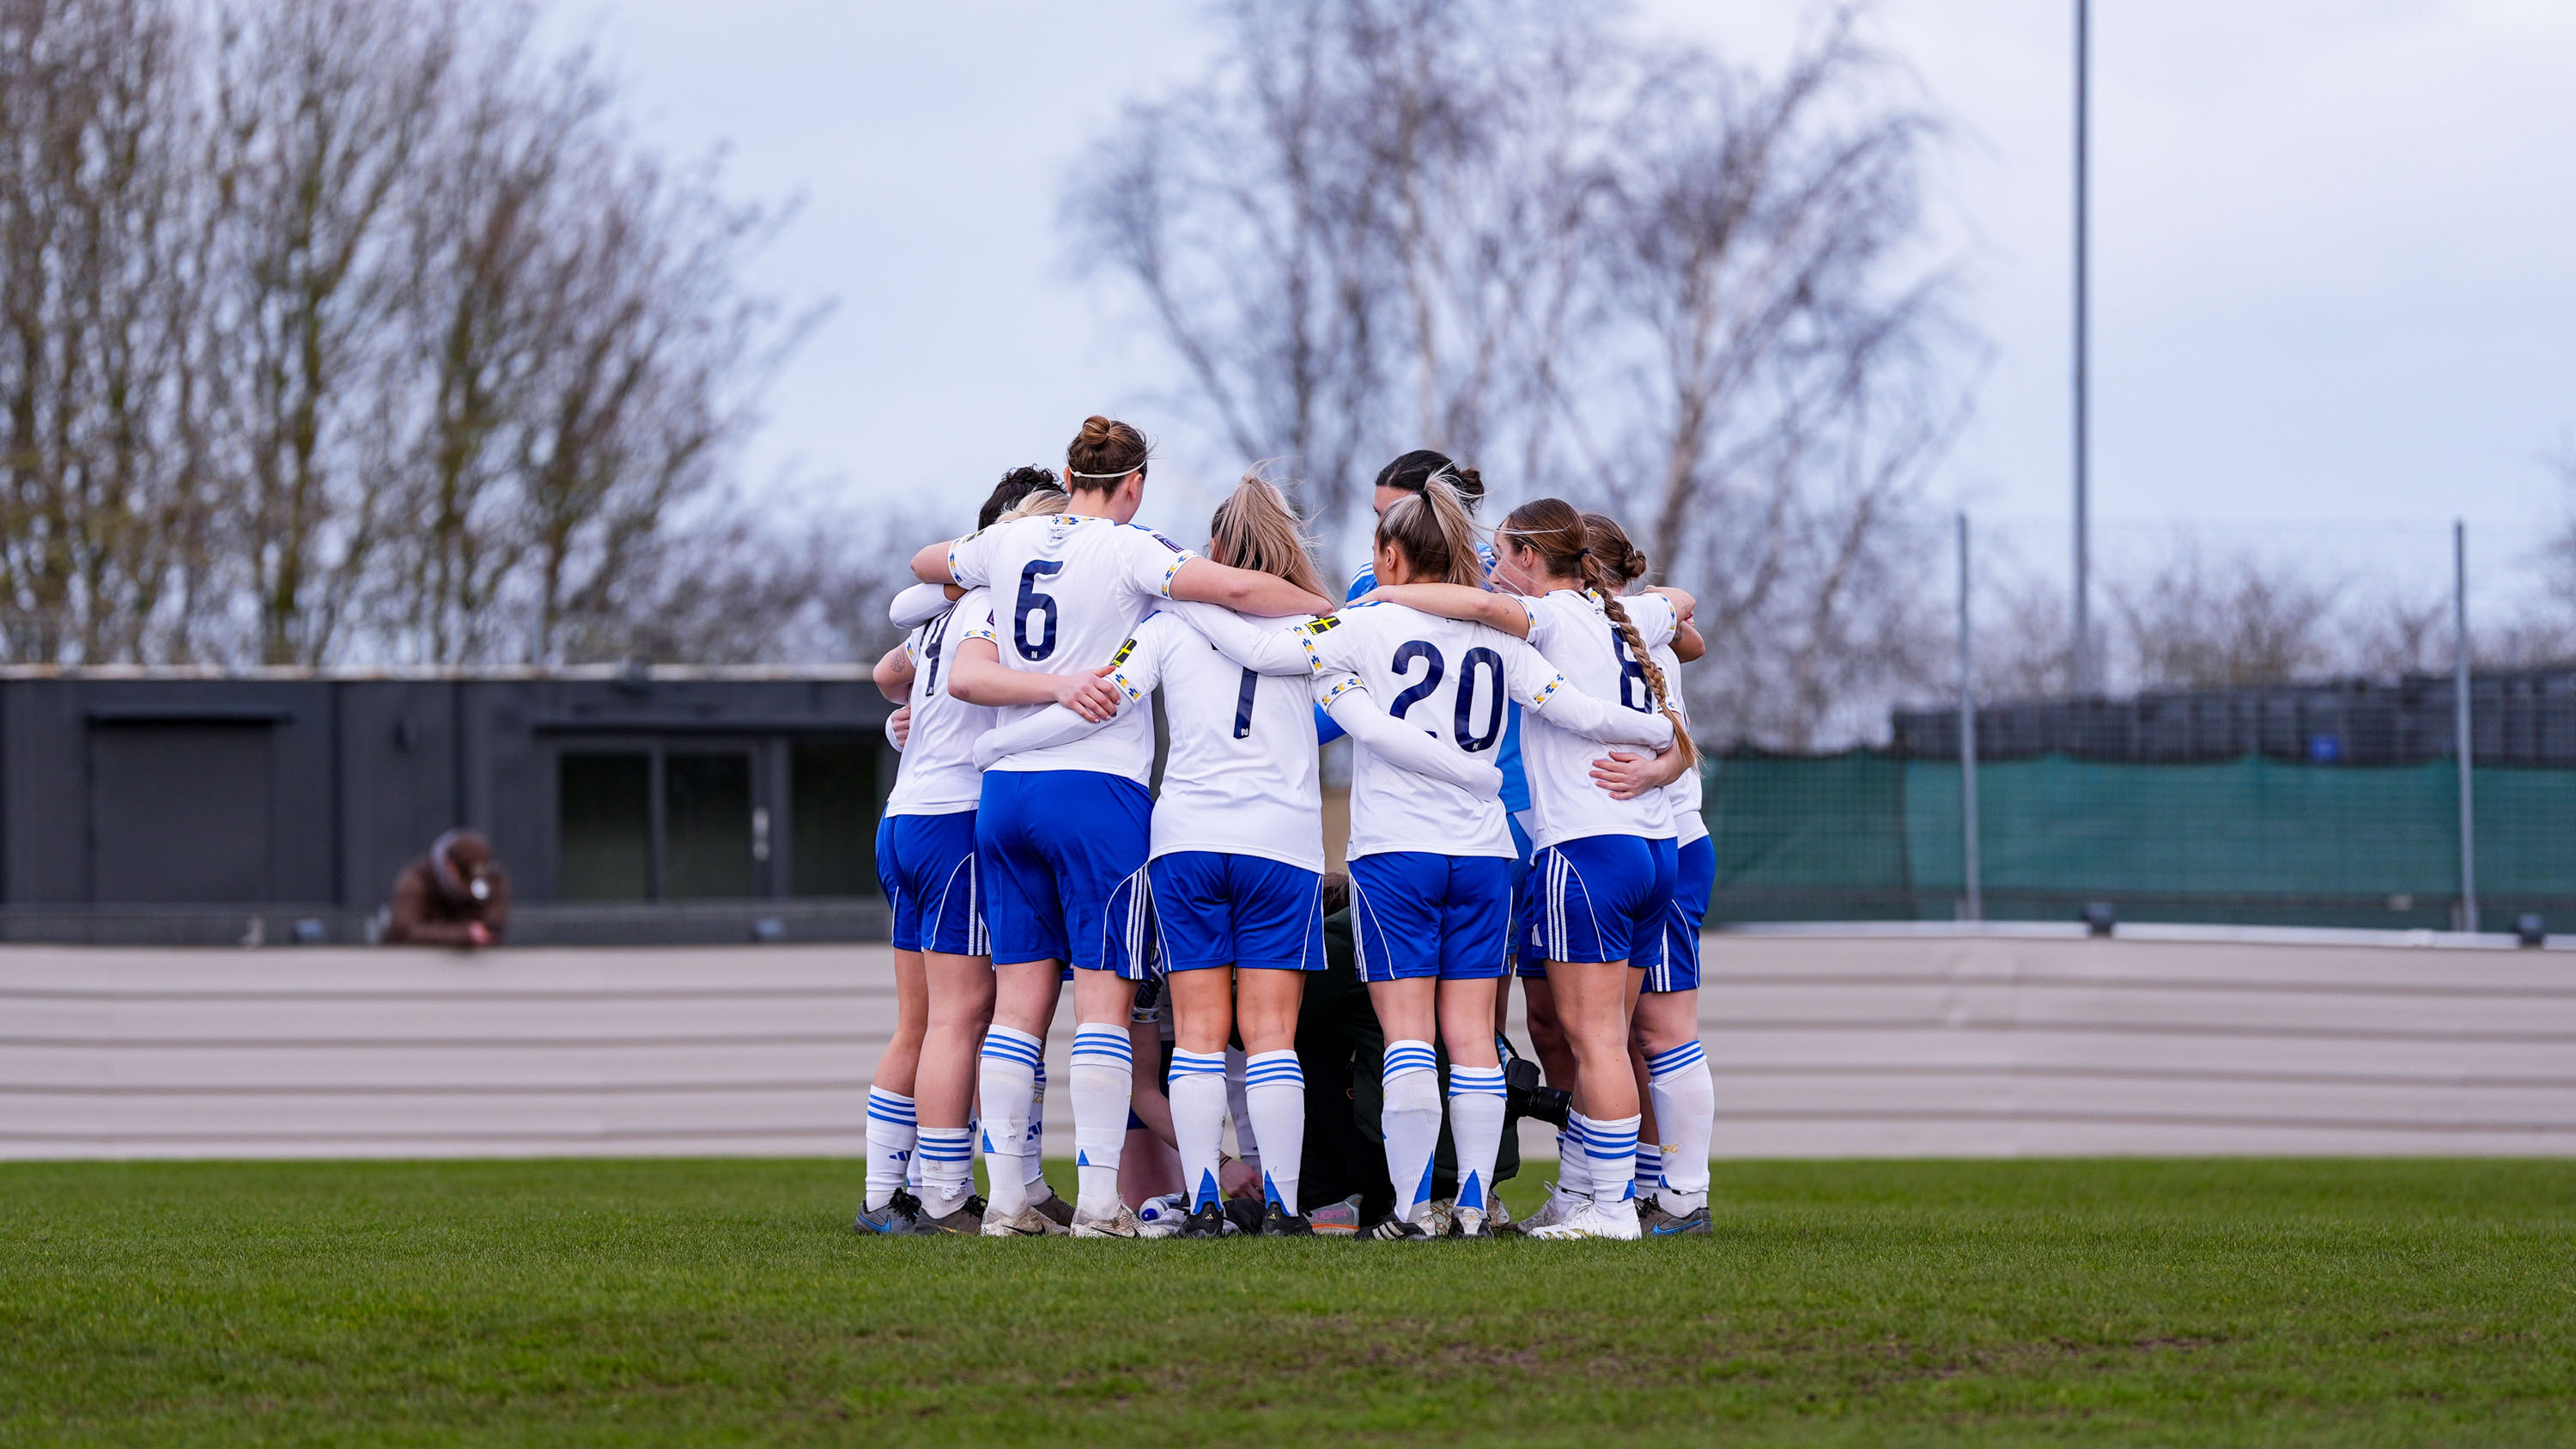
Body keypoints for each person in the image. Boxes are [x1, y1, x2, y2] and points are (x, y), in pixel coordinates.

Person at [971, 472, 1498, 1237]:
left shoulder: (1166, 622)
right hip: (1280, 846)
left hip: (1185, 840)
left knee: (1200, 1031)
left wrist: (1001, 743)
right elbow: (1366, 717)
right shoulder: (1321, 632)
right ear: (1286, 548)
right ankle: (1283, 1204)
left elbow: (1097, 703)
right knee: (1272, 1033)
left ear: (1217, 552)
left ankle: (1206, 1202)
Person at [910, 415, 1334, 1238]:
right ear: (1134, 485)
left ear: (1069, 479)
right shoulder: (1134, 546)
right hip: (1095, 794)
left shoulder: (1009, 541)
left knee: (1015, 1009)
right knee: (1103, 1008)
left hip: (1004, 794)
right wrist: (1319, 607)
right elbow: (1239, 591)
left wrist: (983, 566)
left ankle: (1004, 1202)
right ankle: (1099, 1202)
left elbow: (928, 567)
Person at [1244, 475, 1674, 1239]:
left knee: (1408, 1034)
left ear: (1388, 555)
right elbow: (1574, 708)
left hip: (1396, 854)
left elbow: (1264, 653)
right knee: (1474, 1036)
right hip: (1482, 853)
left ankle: (1414, 1210)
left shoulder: (1362, 625)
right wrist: (1657, 734)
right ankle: (1473, 1204)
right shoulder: (1504, 638)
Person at [1367, 496, 1697, 1240]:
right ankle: (1585, 1193)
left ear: (1526, 558)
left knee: (1597, 1040)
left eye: (1500, 552)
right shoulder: (1628, 614)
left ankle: (1611, 1208)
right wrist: (1660, 766)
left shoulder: (1550, 616)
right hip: (1653, 849)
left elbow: (1475, 606)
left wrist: (1386, 593)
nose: (1490, 567)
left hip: (1589, 848)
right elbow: (1682, 603)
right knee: (1608, 1030)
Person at [854, 468, 1074, 1235]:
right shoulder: (997, 606)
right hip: (954, 822)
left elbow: (889, 674)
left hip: (905, 817)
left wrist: (907, 717)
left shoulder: (945, 612)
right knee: (967, 1015)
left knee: (921, 1020)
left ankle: (888, 1194)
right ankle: (945, 1193)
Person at [1574, 512, 1714, 1237]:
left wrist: (1663, 765)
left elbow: (1687, 622)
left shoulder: (1618, 626)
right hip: (1653, 842)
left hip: (1670, 840)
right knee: (1626, 1032)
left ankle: (1685, 1195)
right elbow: (1689, 623)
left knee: (1663, 1029)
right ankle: (1650, 1185)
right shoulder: (1633, 625)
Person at [382, 830, 509, 947]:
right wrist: (465, 933)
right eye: (464, 882)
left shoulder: (492, 880)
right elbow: (403, 931)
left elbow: (495, 923)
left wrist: (487, 930)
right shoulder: (417, 882)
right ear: (450, 865)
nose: (469, 892)